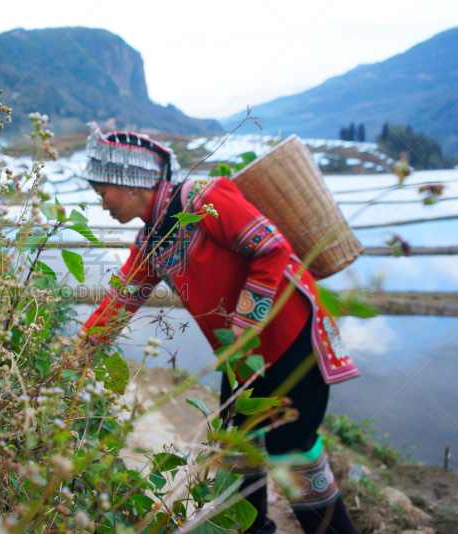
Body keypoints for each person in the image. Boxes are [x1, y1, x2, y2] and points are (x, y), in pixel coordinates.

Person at [79, 125, 360, 534]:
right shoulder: (151, 242)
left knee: (290, 454)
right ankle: (253, 530)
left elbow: (270, 247)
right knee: (236, 452)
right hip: (244, 360)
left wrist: (244, 324)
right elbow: (121, 299)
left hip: (289, 341)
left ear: (130, 183)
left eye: (102, 190)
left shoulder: (203, 197)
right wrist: (81, 349)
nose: (101, 202)